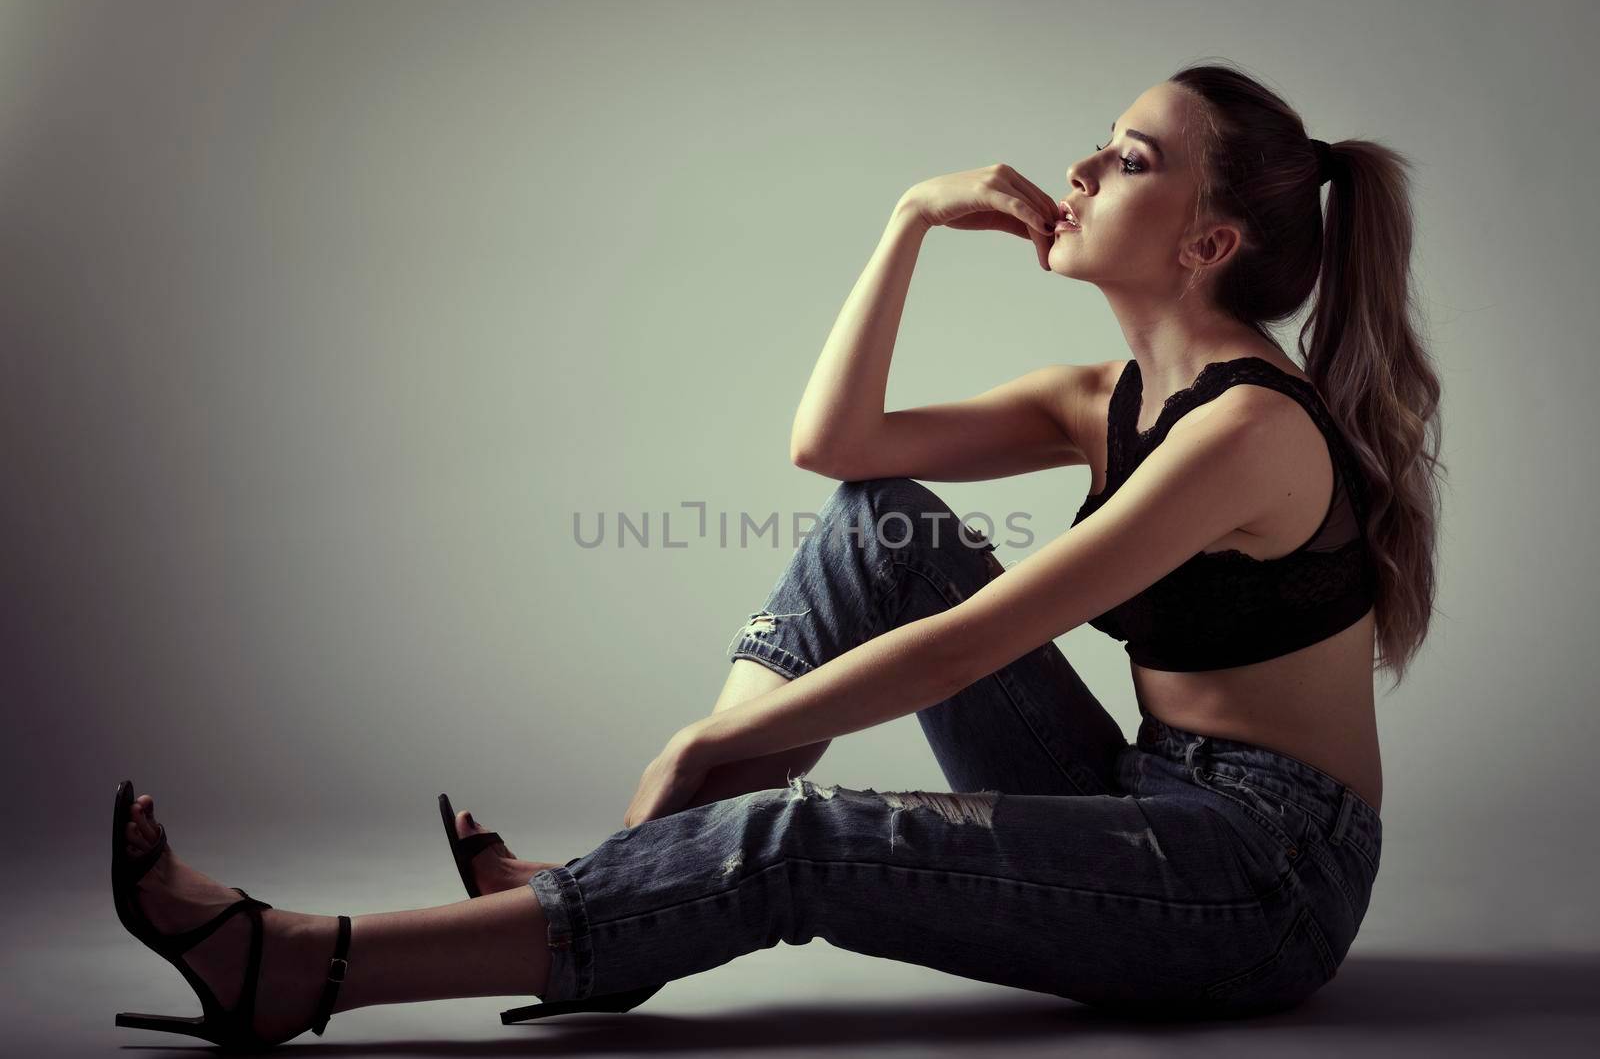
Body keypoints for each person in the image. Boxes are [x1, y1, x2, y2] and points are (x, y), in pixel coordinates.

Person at [111, 59, 1444, 1048]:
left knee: (795, 839)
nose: (1084, 168)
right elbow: (840, 447)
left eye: (1133, 160)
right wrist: (912, 217)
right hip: (1153, 790)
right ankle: (617, 903)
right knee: (885, 525)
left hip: (1260, 877)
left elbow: (971, 646)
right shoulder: (1101, 397)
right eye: (1099, 140)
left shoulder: (1249, 432)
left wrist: (701, 752)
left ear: (1210, 245)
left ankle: (308, 965)